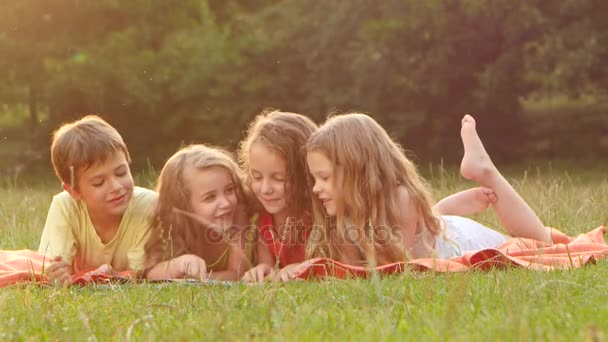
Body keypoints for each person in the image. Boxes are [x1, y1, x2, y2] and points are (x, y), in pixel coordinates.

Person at [305, 113, 551, 265]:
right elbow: (352, 270)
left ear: (356, 170)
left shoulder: (401, 199)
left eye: (324, 177)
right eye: (315, 179)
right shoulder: (346, 213)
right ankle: (442, 210)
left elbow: (399, 266)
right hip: (433, 228)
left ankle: (486, 170)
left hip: (458, 241)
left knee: (541, 246)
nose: (316, 188)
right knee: (433, 219)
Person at [38, 115, 157, 286]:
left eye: (121, 173)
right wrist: (57, 275)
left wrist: (112, 275)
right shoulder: (65, 206)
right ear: (74, 191)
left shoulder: (149, 206)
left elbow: (143, 274)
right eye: (98, 182)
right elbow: (49, 268)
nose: (116, 186)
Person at [144, 144, 255, 281]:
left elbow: (237, 273)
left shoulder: (239, 215)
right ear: (183, 205)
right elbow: (149, 274)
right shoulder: (173, 227)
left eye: (229, 190)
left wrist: (194, 280)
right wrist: (178, 265)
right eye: (210, 197)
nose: (226, 203)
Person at [238, 110, 318, 282]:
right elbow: (268, 265)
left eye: (279, 178)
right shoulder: (263, 218)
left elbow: (333, 263)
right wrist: (262, 270)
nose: (265, 189)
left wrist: (300, 267)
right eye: (257, 177)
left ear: (306, 175)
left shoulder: (317, 216)